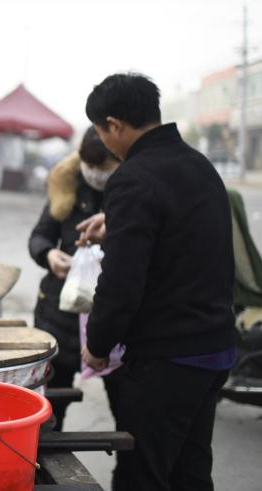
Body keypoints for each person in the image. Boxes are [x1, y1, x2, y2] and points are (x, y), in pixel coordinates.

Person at [79, 73, 236, 491]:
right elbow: (184, 236)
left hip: (168, 358)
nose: (103, 140)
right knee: (190, 472)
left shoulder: (132, 178)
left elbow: (121, 282)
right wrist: (116, 222)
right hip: (214, 349)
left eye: (99, 130)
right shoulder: (198, 166)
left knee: (142, 475)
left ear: (114, 125)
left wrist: (97, 345)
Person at [28, 127, 120, 430]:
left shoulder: (131, 190)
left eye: (101, 168)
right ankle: (44, 469)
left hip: (113, 319)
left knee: (128, 411)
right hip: (60, 313)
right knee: (51, 412)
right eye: (89, 167)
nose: (94, 174)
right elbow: (40, 236)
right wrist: (49, 256)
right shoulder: (66, 184)